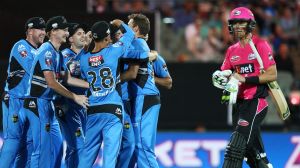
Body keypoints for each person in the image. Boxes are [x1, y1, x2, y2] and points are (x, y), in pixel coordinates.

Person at [78, 20, 153, 168]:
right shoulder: (113, 51)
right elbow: (130, 34)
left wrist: (87, 47)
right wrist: (120, 23)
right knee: (110, 156)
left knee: (87, 154)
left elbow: (83, 75)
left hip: (92, 110)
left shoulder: (84, 59)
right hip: (113, 109)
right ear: (107, 38)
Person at [212, 7, 274, 168]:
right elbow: (225, 72)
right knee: (251, 153)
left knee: (236, 145)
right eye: (234, 22)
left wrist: (243, 78)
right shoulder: (231, 50)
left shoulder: (260, 45)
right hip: (238, 105)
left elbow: (272, 75)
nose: (238, 26)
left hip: (255, 102)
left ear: (250, 24)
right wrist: (220, 77)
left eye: (242, 22)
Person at [24, 16, 89, 168]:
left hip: (48, 105)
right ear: (53, 31)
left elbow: (69, 79)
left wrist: (93, 86)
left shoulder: (57, 54)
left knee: (57, 148)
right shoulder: (46, 51)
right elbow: (51, 82)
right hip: (37, 103)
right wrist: (75, 97)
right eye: (65, 30)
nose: (67, 34)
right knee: (42, 151)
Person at [0, 17, 46, 168]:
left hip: (30, 103)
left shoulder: (41, 50)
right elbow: (34, 69)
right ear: (30, 31)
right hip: (14, 100)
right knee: (13, 140)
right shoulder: (21, 46)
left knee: (28, 144)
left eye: (45, 29)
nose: (43, 33)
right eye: (40, 29)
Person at [127, 13, 162, 168]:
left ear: (135, 28)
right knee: (139, 146)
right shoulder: (141, 44)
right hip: (146, 97)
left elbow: (122, 54)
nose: (126, 30)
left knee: (142, 146)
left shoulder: (136, 43)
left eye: (128, 26)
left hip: (144, 97)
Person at [59, 23, 88, 168]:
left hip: (84, 108)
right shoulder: (65, 55)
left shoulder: (89, 55)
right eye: (79, 34)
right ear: (70, 39)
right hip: (69, 107)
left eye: (84, 33)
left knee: (75, 148)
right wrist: (92, 85)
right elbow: (67, 79)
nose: (83, 36)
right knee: (79, 145)